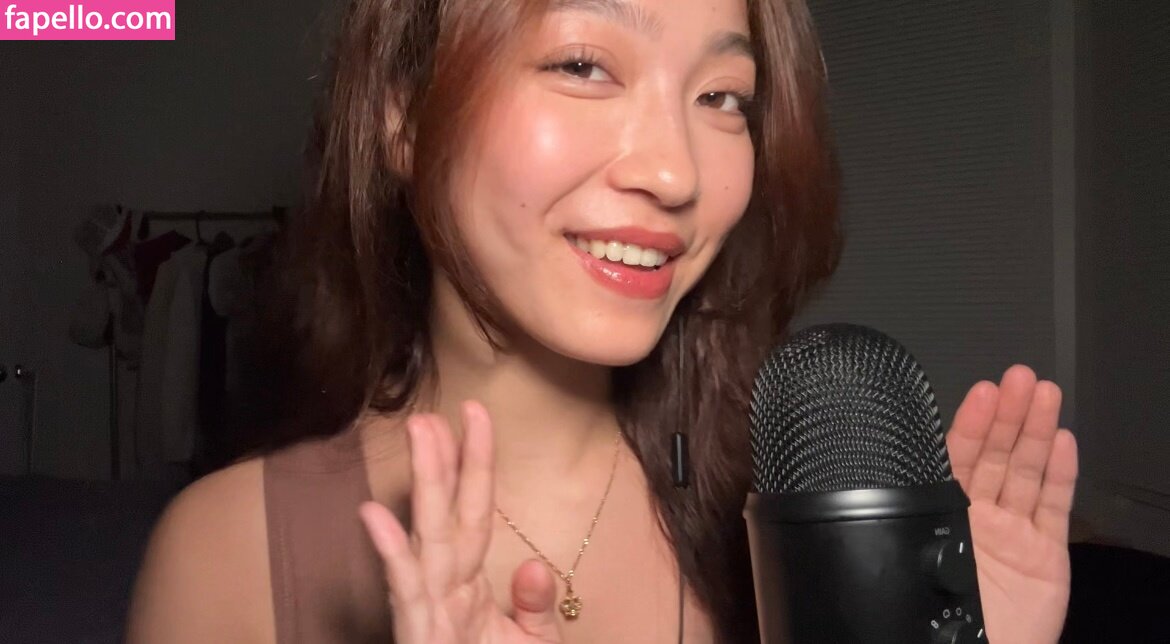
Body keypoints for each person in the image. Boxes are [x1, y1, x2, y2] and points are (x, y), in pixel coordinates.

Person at [126, 0, 1080, 642]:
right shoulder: (229, 558)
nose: (675, 172)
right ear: (403, 116)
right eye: (584, 65)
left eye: (721, 97)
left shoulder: (789, 514)